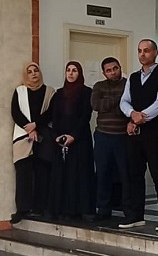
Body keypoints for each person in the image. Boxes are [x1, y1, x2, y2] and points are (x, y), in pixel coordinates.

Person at [119, 39, 158, 231]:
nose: (143, 54)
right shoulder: (133, 78)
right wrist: (131, 114)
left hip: (154, 134)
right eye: (140, 51)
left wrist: (138, 118)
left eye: (147, 50)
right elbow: (124, 101)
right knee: (134, 174)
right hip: (135, 135)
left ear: (155, 53)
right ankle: (136, 215)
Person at [48, 61, 95, 220]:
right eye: (68, 70)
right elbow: (54, 116)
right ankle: (60, 208)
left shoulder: (86, 92)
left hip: (80, 139)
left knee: (78, 174)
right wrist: (56, 136)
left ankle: (77, 209)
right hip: (60, 140)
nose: (70, 73)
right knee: (62, 174)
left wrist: (73, 136)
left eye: (74, 70)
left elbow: (85, 116)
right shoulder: (58, 94)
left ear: (79, 73)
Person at [11, 62, 55, 223]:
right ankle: (22, 209)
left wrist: (36, 125)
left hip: (43, 137)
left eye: (36, 70)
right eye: (29, 72)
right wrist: (29, 128)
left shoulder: (49, 92)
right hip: (23, 137)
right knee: (23, 173)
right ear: (26, 75)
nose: (33, 74)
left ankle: (40, 208)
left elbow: (50, 112)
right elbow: (15, 112)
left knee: (42, 172)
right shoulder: (20, 91)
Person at [91, 57, 129, 222]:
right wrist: (119, 100)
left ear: (120, 68)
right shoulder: (99, 86)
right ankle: (103, 208)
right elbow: (96, 105)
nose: (113, 72)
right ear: (104, 73)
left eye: (115, 68)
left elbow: (127, 108)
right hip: (103, 135)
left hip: (123, 136)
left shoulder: (128, 84)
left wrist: (110, 103)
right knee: (103, 173)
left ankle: (128, 209)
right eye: (108, 70)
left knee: (125, 174)